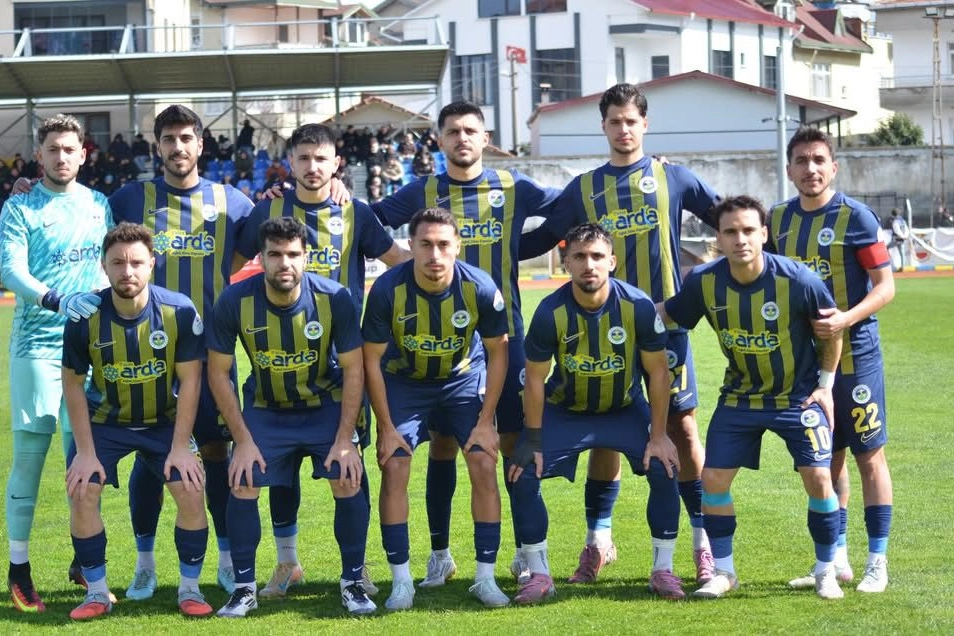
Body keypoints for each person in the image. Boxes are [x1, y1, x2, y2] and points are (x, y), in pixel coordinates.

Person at [518, 82, 719, 585]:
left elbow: (730, 219)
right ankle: (598, 541)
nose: (623, 129)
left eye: (631, 121)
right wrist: (481, 247)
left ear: (644, 124)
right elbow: (544, 238)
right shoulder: (584, 188)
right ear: (603, 126)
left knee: (682, 431)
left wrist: (714, 276)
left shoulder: (674, 177)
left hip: (664, 328)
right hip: (600, 328)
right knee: (603, 431)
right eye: (614, 121)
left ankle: (703, 543)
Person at [371, 101, 562, 587]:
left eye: (470, 130)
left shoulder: (512, 186)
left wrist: (521, 248)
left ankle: (527, 553)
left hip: (502, 336)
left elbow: (567, 210)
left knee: (510, 444)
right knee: (442, 445)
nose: (462, 138)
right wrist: (398, 260)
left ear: (485, 138)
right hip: (433, 343)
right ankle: (441, 554)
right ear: (439, 140)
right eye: (453, 131)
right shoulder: (422, 190)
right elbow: (367, 221)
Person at [235, 122, 407, 599]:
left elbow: (397, 259)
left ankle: (358, 568)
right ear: (290, 163)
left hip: (340, 369)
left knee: (349, 467)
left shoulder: (356, 212)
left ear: (337, 164)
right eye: (304, 158)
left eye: (321, 159)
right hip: (278, 363)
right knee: (280, 471)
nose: (312, 167)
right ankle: (287, 563)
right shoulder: (268, 208)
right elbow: (227, 265)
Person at [657, 195, 845, 600]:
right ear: (719, 238)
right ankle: (724, 572)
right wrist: (615, 307)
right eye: (730, 232)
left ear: (763, 234)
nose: (739, 239)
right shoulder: (704, 281)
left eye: (747, 230)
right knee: (713, 480)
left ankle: (825, 570)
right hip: (740, 398)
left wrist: (825, 386)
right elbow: (668, 313)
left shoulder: (798, 280)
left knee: (818, 478)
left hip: (797, 398)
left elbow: (832, 330)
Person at [507, 223, 684, 604]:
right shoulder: (550, 311)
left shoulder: (637, 306)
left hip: (623, 409)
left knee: (665, 466)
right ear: (566, 262)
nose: (589, 264)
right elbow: (534, 379)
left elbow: (658, 372)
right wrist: (532, 439)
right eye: (580, 257)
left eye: (597, 256)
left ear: (612, 262)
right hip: (566, 410)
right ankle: (539, 574)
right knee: (523, 471)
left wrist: (659, 435)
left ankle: (663, 570)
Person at [207, 216, 374, 617]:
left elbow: (355, 369)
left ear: (306, 257)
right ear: (261, 259)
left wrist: (345, 439)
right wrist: (242, 441)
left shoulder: (334, 298)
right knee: (243, 478)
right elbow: (218, 373)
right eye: (275, 254)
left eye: (293, 254)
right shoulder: (234, 301)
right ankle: (243, 589)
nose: (285, 263)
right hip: (267, 409)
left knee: (347, 476)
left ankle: (353, 581)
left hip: (325, 406)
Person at [62, 222, 212, 620]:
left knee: (191, 488)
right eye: (117, 263)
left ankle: (190, 589)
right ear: (104, 266)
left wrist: (180, 447)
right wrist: (85, 453)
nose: (127, 271)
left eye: (136, 263)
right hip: (106, 424)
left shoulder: (178, 311)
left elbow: (191, 381)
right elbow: (73, 385)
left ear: (152, 264)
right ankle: (96, 593)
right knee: (82, 489)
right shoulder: (84, 317)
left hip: (164, 423)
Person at [362, 208, 510, 610]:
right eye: (425, 244)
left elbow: (499, 352)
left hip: (462, 379)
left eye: (444, 244)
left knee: (483, 460)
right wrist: (385, 427)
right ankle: (401, 582)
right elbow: (370, 360)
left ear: (457, 246)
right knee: (394, 463)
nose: (435, 254)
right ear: (411, 245)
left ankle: (485, 578)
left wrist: (486, 422)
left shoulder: (479, 287)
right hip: (404, 381)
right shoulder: (387, 289)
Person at [770, 126, 895, 594]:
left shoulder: (857, 218)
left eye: (819, 160)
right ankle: (835, 559)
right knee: (827, 459)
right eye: (802, 161)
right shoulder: (777, 220)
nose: (811, 168)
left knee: (869, 456)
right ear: (789, 170)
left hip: (856, 360)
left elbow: (885, 287)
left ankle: (877, 562)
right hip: (806, 363)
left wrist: (845, 318)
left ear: (834, 167)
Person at [0, 114, 111, 613]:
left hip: (86, 353)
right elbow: (10, 270)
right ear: (38, 155)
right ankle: (19, 571)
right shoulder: (20, 205)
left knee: (83, 461)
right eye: (53, 149)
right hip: (37, 350)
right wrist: (56, 300)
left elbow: (109, 268)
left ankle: (84, 562)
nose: (61, 156)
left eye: (70, 149)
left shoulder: (99, 204)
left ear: (83, 154)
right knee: (29, 459)